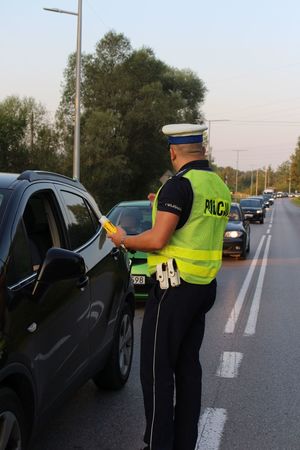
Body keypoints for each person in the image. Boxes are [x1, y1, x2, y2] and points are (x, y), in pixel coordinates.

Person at [108, 123, 231, 450]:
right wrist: (159, 203)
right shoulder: (217, 185)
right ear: (201, 151)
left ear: (173, 152)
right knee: (188, 367)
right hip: (203, 287)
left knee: (155, 369)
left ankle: (159, 443)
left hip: (172, 283)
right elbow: (193, 224)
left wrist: (124, 240)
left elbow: (158, 238)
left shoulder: (179, 185)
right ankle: (184, 442)